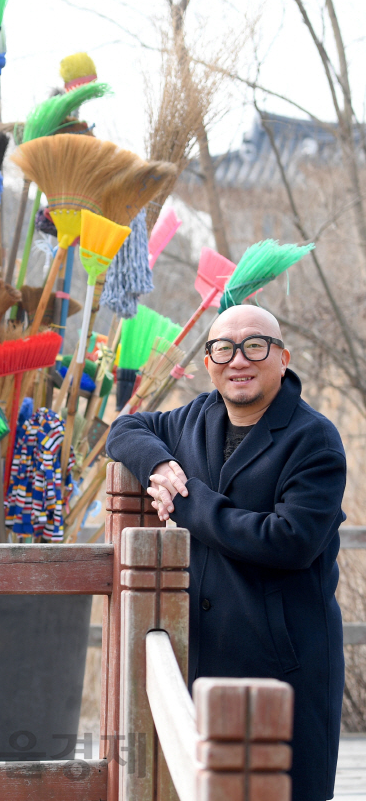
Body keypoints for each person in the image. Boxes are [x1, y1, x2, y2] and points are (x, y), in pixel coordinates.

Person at [106, 305, 346, 801]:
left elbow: (291, 541)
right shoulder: (197, 416)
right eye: (224, 348)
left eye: (254, 346)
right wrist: (159, 464)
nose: (239, 359)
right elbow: (124, 430)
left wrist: (189, 502)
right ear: (209, 362)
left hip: (283, 667)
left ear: (282, 358)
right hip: (198, 656)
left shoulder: (314, 439)